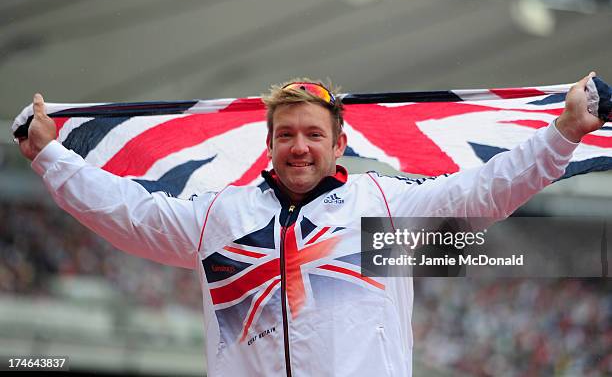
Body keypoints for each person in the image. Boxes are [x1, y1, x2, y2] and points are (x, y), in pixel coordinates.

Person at [17, 73, 604, 377]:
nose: (300, 147)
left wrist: (565, 132)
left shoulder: (383, 208)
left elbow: (486, 192)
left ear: (339, 144)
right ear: (268, 144)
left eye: (314, 134)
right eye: (287, 135)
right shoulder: (218, 216)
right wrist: (51, 156)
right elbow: (126, 211)